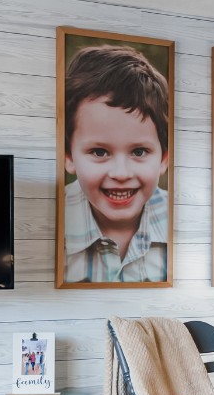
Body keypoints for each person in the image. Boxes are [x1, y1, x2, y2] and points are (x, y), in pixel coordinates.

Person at [62, 44, 171, 284]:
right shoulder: (48, 231)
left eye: (139, 151)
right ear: (68, 155)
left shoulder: (184, 234)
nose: (121, 174)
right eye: (99, 152)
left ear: (164, 158)